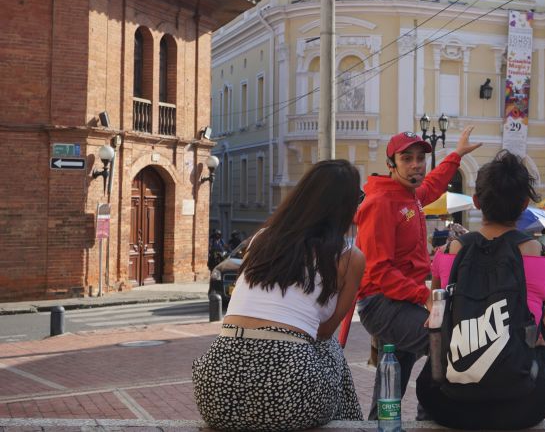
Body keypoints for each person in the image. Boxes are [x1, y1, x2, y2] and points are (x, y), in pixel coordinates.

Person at [192, 160, 366, 431]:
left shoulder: (261, 239)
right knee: (329, 349)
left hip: (216, 392)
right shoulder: (348, 257)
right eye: (358, 198)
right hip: (287, 397)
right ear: (344, 206)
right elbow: (325, 332)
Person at [417, 150, 545, 429]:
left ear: (476, 202)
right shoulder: (543, 256)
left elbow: (434, 309)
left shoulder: (447, 254)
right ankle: (534, 371)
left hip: (446, 402)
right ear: (525, 204)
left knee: (441, 310)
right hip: (524, 406)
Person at [355, 127, 481, 420]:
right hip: (382, 303)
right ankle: (431, 416)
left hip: (402, 300)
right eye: (407, 158)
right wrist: (424, 297)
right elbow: (380, 271)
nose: (415, 164)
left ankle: (380, 423)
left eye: (420, 158)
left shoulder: (408, 195)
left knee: (393, 380)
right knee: (445, 343)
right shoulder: (381, 203)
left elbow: (433, 185)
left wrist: (456, 155)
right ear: (391, 164)